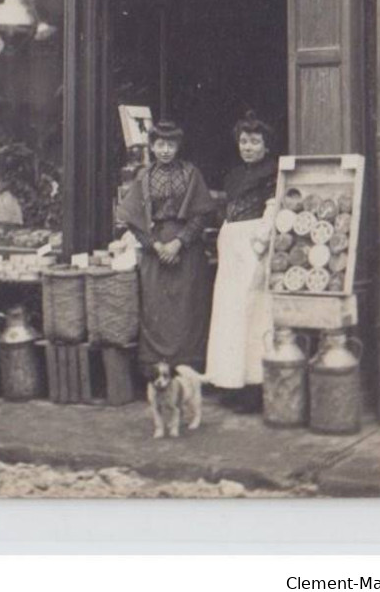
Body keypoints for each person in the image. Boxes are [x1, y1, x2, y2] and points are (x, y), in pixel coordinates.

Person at [116, 120, 217, 377]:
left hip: (187, 250)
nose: (165, 150)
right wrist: (155, 245)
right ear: (151, 146)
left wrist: (179, 242)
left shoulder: (191, 173)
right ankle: (156, 369)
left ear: (178, 146)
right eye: (160, 144)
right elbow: (132, 218)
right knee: (155, 308)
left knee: (187, 308)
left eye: (170, 144)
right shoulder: (144, 177)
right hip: (155, 251)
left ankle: (188, 368)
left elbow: (202, 214)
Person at [205, 110, 278, 413]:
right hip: (232, 248)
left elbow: (273, 209)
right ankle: (229, 381)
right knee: (229, 314)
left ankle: (254, 386)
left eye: (254, 141)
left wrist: (261, 240)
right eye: (244, 141)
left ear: (266, 145)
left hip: (254, 247)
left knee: (253, 313)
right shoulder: (233, 175)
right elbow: (228, 209)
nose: (248, 147)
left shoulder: (273, 172)